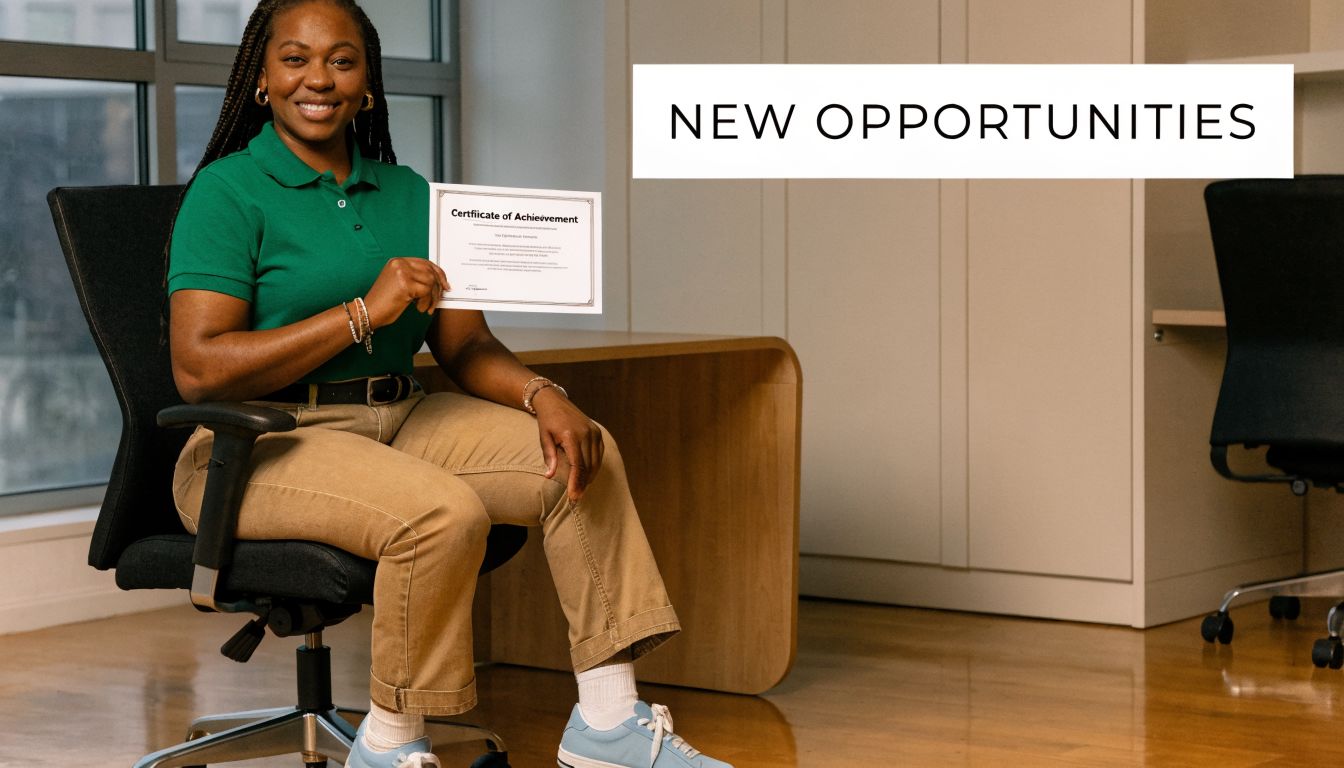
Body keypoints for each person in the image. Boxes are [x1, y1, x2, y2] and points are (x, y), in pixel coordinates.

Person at [165, 2, 733, 767]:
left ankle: (607, 726)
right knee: (442, 514)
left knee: (577, 453)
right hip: (258, 443)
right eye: (295, 59)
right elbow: (199, 367)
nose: (319, 79)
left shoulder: (410, 193)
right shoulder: (228, 192)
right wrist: (363, 313)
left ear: (367, 82)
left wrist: (543, 395)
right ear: (262, 80)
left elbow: (465, 345)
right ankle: (392, 746)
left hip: (399, 415)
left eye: (342, 60)